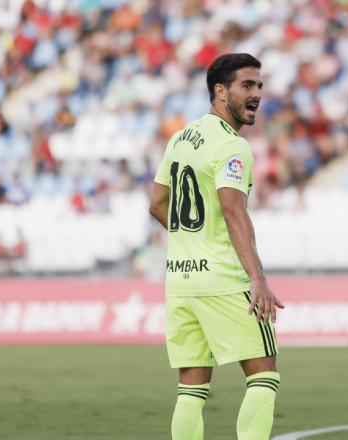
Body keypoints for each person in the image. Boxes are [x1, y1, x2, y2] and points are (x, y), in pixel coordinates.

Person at [149, 53, 284, 440]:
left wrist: (192, 241)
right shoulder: (232, 146)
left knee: (191, 388)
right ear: (220, 91)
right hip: (223, 279)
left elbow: (157, 204)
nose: (257, 93)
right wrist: (258, 278)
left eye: (259, 85)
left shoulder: (181, 138)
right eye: (247, 85)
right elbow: (232, 210)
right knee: (263, 375)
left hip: (180, 283)